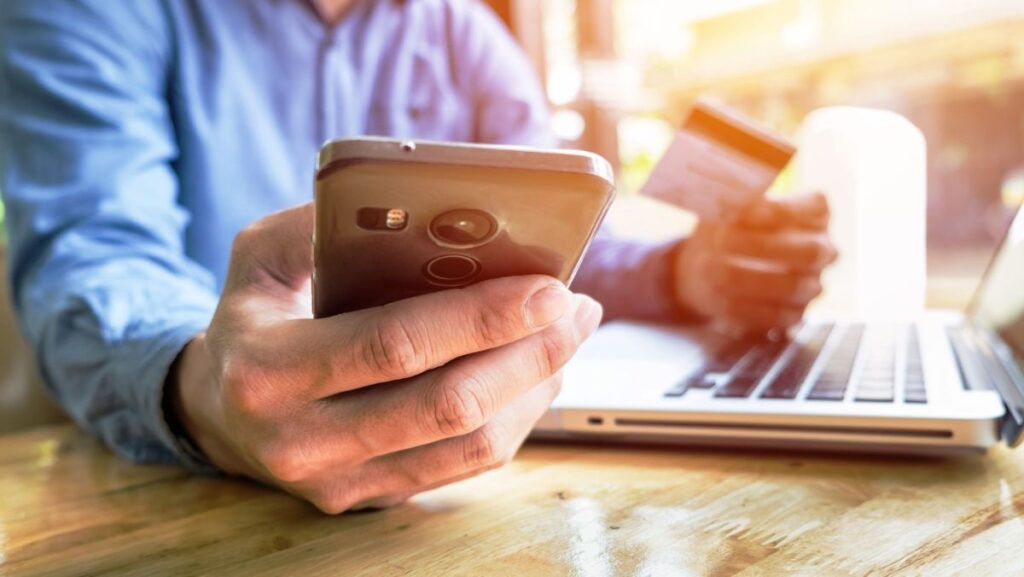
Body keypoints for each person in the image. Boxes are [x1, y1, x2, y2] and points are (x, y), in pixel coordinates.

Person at [0, 0, 835, 513]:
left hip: (459, 493)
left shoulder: (463, 30)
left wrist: (688, 269)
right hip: (152, 486)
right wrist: (206, 388)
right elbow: (94, 248)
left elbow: (564, 237)